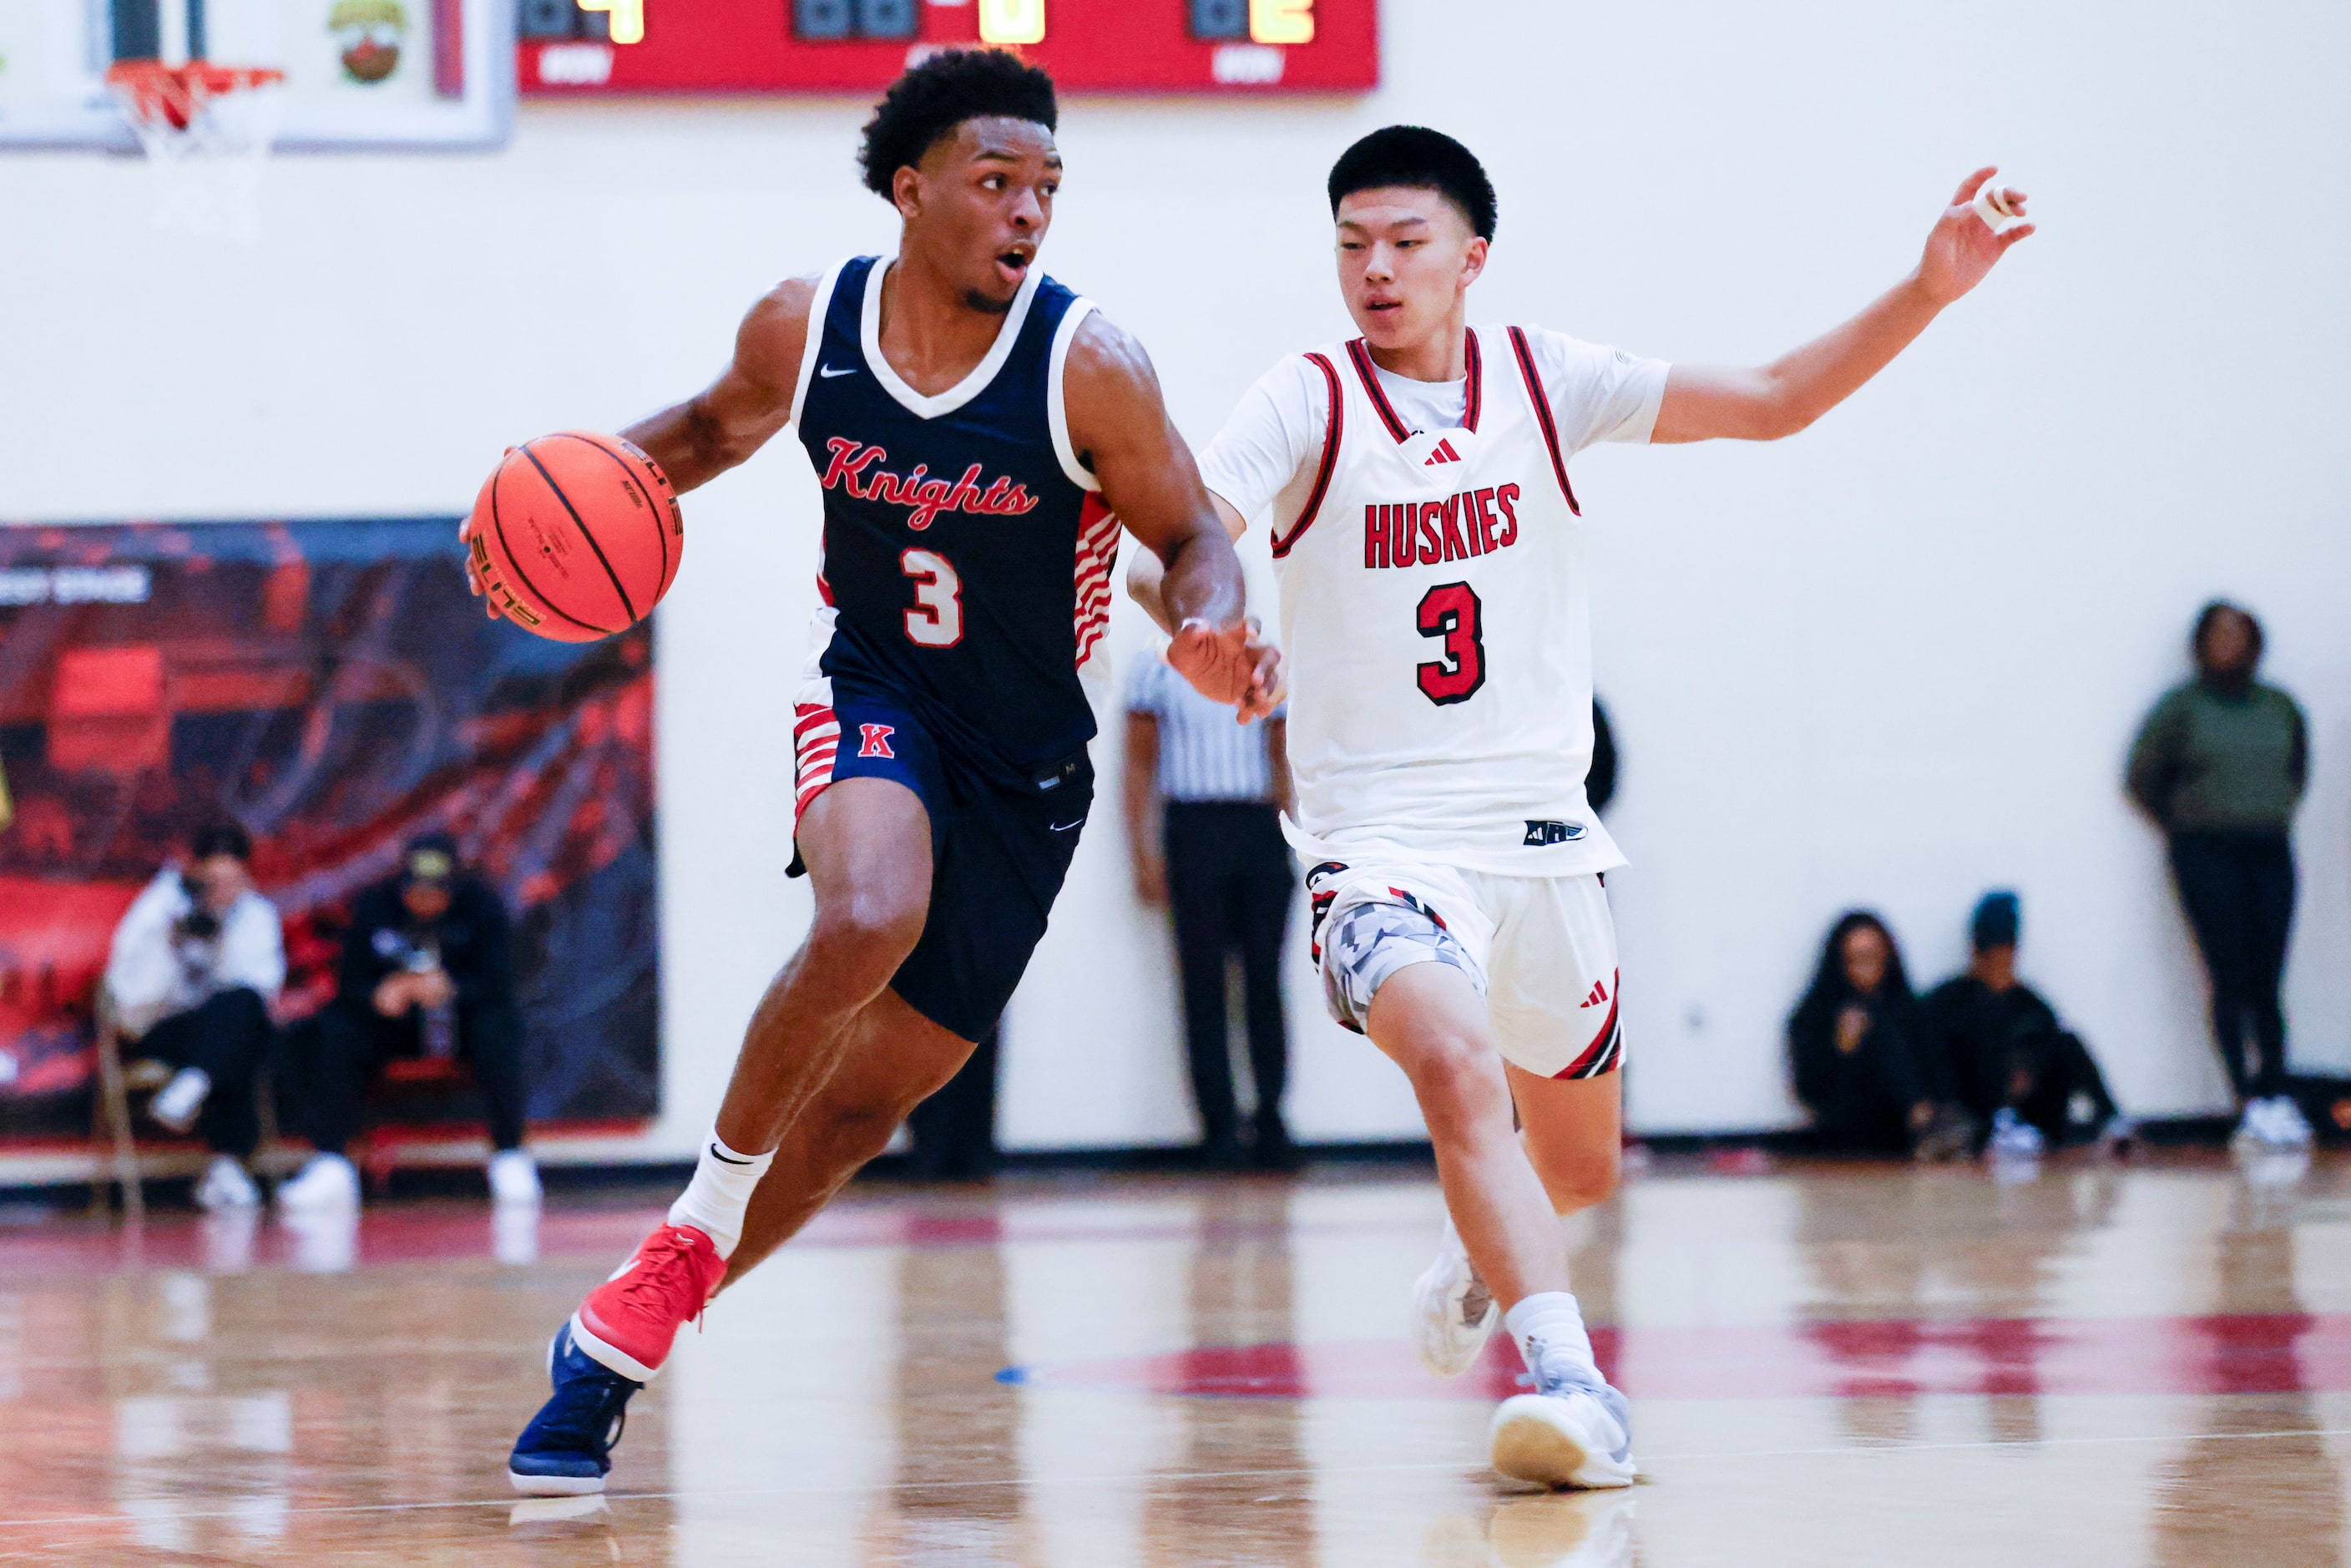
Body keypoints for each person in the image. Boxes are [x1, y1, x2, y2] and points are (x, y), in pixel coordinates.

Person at [1128, 127, 2030, 1486]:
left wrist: (1926, 288)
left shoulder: (1546, 382)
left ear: (1470, 257)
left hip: (1543, 842)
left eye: (1404, 242)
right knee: (1452, 1061)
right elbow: (1184, 531)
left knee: (1585, 1167)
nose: (1373, 269)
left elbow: (1777, 396)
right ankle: (1578, 1388)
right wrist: (1201, 624)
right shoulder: (1307, 398)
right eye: (1350, 243)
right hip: (1378, 844)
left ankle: (1484, 1249)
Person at [498, 52, 1277, 1494]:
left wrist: (1219, 625)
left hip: (1032, 762)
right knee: (866, 910)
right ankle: (695, 1220)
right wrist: (547, 509)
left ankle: (621, 1342)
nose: (1030, 212)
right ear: (909, 189)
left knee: (865, 1111)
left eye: (1048, 187)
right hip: (870, 686)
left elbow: (1192, 540)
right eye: (998, 182)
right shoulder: (810, 325)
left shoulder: (1089, 360)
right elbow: (702, 433)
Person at [2126, 601, 2313, 1148]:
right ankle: (2247, 1101)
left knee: (2268, 976)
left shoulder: (2280, 707)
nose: (2227, 642)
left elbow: (2298, 769)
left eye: (2237, 633)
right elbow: (2142, 776)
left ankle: (2277, 1090)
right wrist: (2187, 823)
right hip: (2206, 850)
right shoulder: (2182, 709)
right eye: (2217, 633)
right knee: (2228, 973)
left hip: (2268, 846)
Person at [276, 833, 536, 1210]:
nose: (425, 899)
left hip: (461, 1021)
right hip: (396, 1023)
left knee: (500, 1027)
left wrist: (452, 985)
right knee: (336, 1029)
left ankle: (510, 1154)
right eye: (417, 890)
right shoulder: (375, 905)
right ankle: (332, 1161)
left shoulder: (482, 905)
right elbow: (350, 981)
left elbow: (499, 982)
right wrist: (381, 991)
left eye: (436, 891)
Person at [1123, 642, 1297, 1171]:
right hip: (1192, 827)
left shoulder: (1261, 655)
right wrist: (1143, 854)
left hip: (1257, 824)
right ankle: (1217, 1128)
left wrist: (1295, 838)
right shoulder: (1154, 662)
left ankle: (1270, 1118)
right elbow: (1138, 761)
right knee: (1202, 982)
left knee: (1264, 977)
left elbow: (1280, 749)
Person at [101, 822, 284, 1211]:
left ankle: (196, 1090)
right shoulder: (160, 905)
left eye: (232, 880)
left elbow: (261, 991)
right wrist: (170, 943)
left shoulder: (256, 915)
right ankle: (228, 1162)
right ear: (195, 871)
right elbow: (129, 1000)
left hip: (224, 1030)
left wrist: (221, 940)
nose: (222, 890)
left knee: (242, 1019)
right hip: (165, 1027)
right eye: (213, 880)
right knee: (235, 1046)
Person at [1922, 891, 2128, 1158]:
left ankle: (2112, 1123)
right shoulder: (1946, 1001)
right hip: (1973, 1113)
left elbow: (2055, 1052)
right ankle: (1986, 1132)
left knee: (2067, 1042)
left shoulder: (2032, 1005)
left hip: (2032, 1116)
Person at [1788, 912, 1971, 1159]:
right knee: (1875, 1025)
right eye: (1857, 959)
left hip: (1900, 1133)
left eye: (1873, 957)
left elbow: (1940, 1073)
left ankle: (1928, 1122)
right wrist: (1843, 1049)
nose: (1866, 967)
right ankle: (1923, 1120)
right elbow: (1811, 1091)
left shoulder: (1912, 1011)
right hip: (1848, 1132)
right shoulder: (1814, 1015)